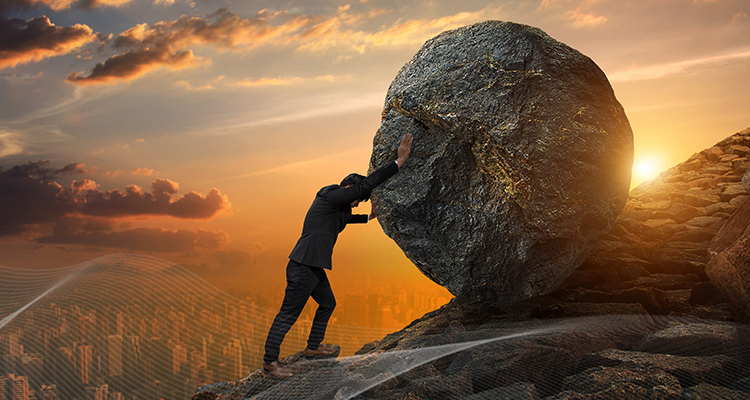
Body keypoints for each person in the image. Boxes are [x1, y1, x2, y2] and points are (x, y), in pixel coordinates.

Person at [261, 133, 414, 378]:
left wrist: (367, 218)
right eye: (356, 199)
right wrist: (399, 161)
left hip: (313, 267)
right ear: (348, 189)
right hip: (303, 266)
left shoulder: (337, 209)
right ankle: (270, 362)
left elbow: (344, 219)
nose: (356, 204)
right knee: (288, 314)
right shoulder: (330, 195)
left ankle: (313, 348)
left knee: (328, 303)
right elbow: (366, 185)